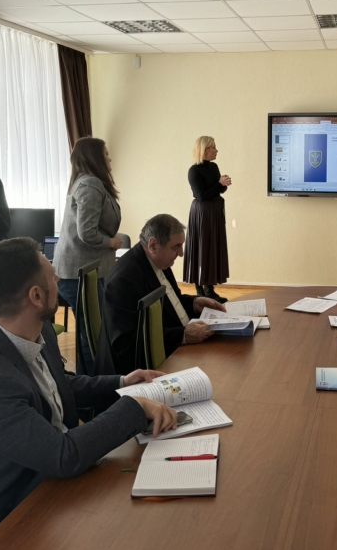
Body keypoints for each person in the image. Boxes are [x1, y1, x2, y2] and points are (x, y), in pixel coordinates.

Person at [0, 236, 178, 550]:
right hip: (4, 524)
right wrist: (135, 406)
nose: (59, 279)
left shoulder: (35, 330)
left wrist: (122, 382)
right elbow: (63, 455)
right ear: (36, 296)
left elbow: (58, 385)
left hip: (50, 482)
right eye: (52, 275)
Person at [95, 214, 225, 376]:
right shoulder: (123, 280)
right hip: (140, 372)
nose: (181, 253)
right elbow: (126, 343)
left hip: (174, 350)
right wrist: (183, 335)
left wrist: (194, 303)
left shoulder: (159, 262)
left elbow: (169, 304)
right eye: (176, 247)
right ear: (153, 245)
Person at [52, 137, 124, 374]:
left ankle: (92, 379)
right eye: (106, 153)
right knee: (92, 332)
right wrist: (111, 242)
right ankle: (93, 383)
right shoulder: (90, 184)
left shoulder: (89, 183)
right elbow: (87, 233)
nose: (110, 158)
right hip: (78, 274)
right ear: (94, 157)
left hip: (84, 270)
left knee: (93, 329)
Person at [182, 135, 231, 304]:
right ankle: (200, 290)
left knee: (212, 247)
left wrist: (223, 185)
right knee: (201, 247)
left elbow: (217, 191)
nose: (216, 150)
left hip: (215, 212)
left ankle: (210, 290)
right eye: (213, 147)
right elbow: (201, 196)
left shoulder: (214, 166)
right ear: (205, 150)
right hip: (202, 213)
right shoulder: (194, 171)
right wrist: (219, 184)